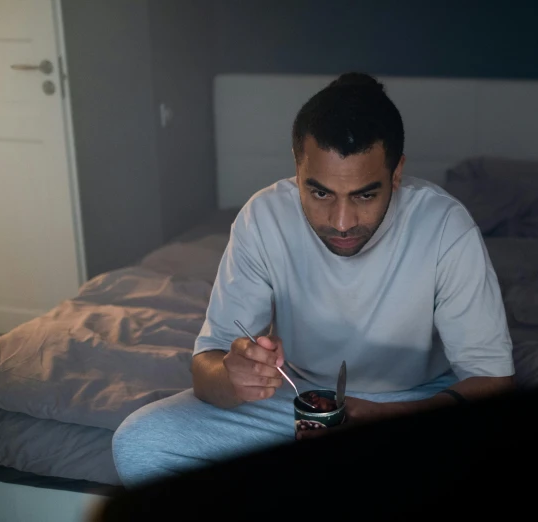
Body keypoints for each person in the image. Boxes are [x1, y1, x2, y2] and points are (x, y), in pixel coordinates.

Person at [111, 72, 515, 488]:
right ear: (297, 169)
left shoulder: (446, 225)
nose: (341, 223)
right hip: (295, 403)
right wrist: (231, 376)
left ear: (396, 175)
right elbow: (206, 366)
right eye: (320, 193)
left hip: (415, 401)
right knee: (140, 444)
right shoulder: (263, 217)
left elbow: (493, 380)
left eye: (364, 194)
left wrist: (382, 419)